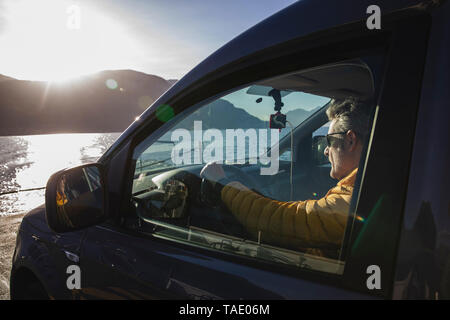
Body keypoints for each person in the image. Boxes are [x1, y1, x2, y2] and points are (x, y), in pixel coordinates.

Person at [200, 98, 371, 257]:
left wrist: (221, 184)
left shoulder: (352, 200)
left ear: (350, 141)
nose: (326, 150)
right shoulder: (365, 189)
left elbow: (278, 220)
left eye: (329, 141)